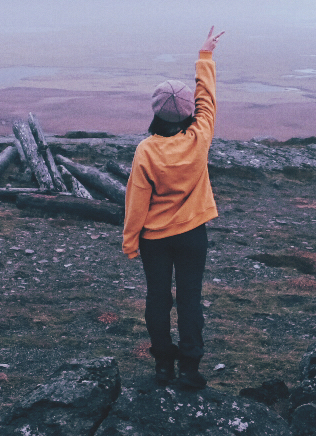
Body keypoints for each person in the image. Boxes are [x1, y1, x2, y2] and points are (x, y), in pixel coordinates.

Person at [123, 25, 223, 390]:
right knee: (191, 299)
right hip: (193, 234)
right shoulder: (199, 137)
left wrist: (131, 242)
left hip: (155, 239)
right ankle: (191, 370)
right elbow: (207, 100)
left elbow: (136, 201)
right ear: (186, 114)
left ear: (156, 112)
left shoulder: (146, 151)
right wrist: (205, 57)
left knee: (158, 299)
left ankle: (163, 367)